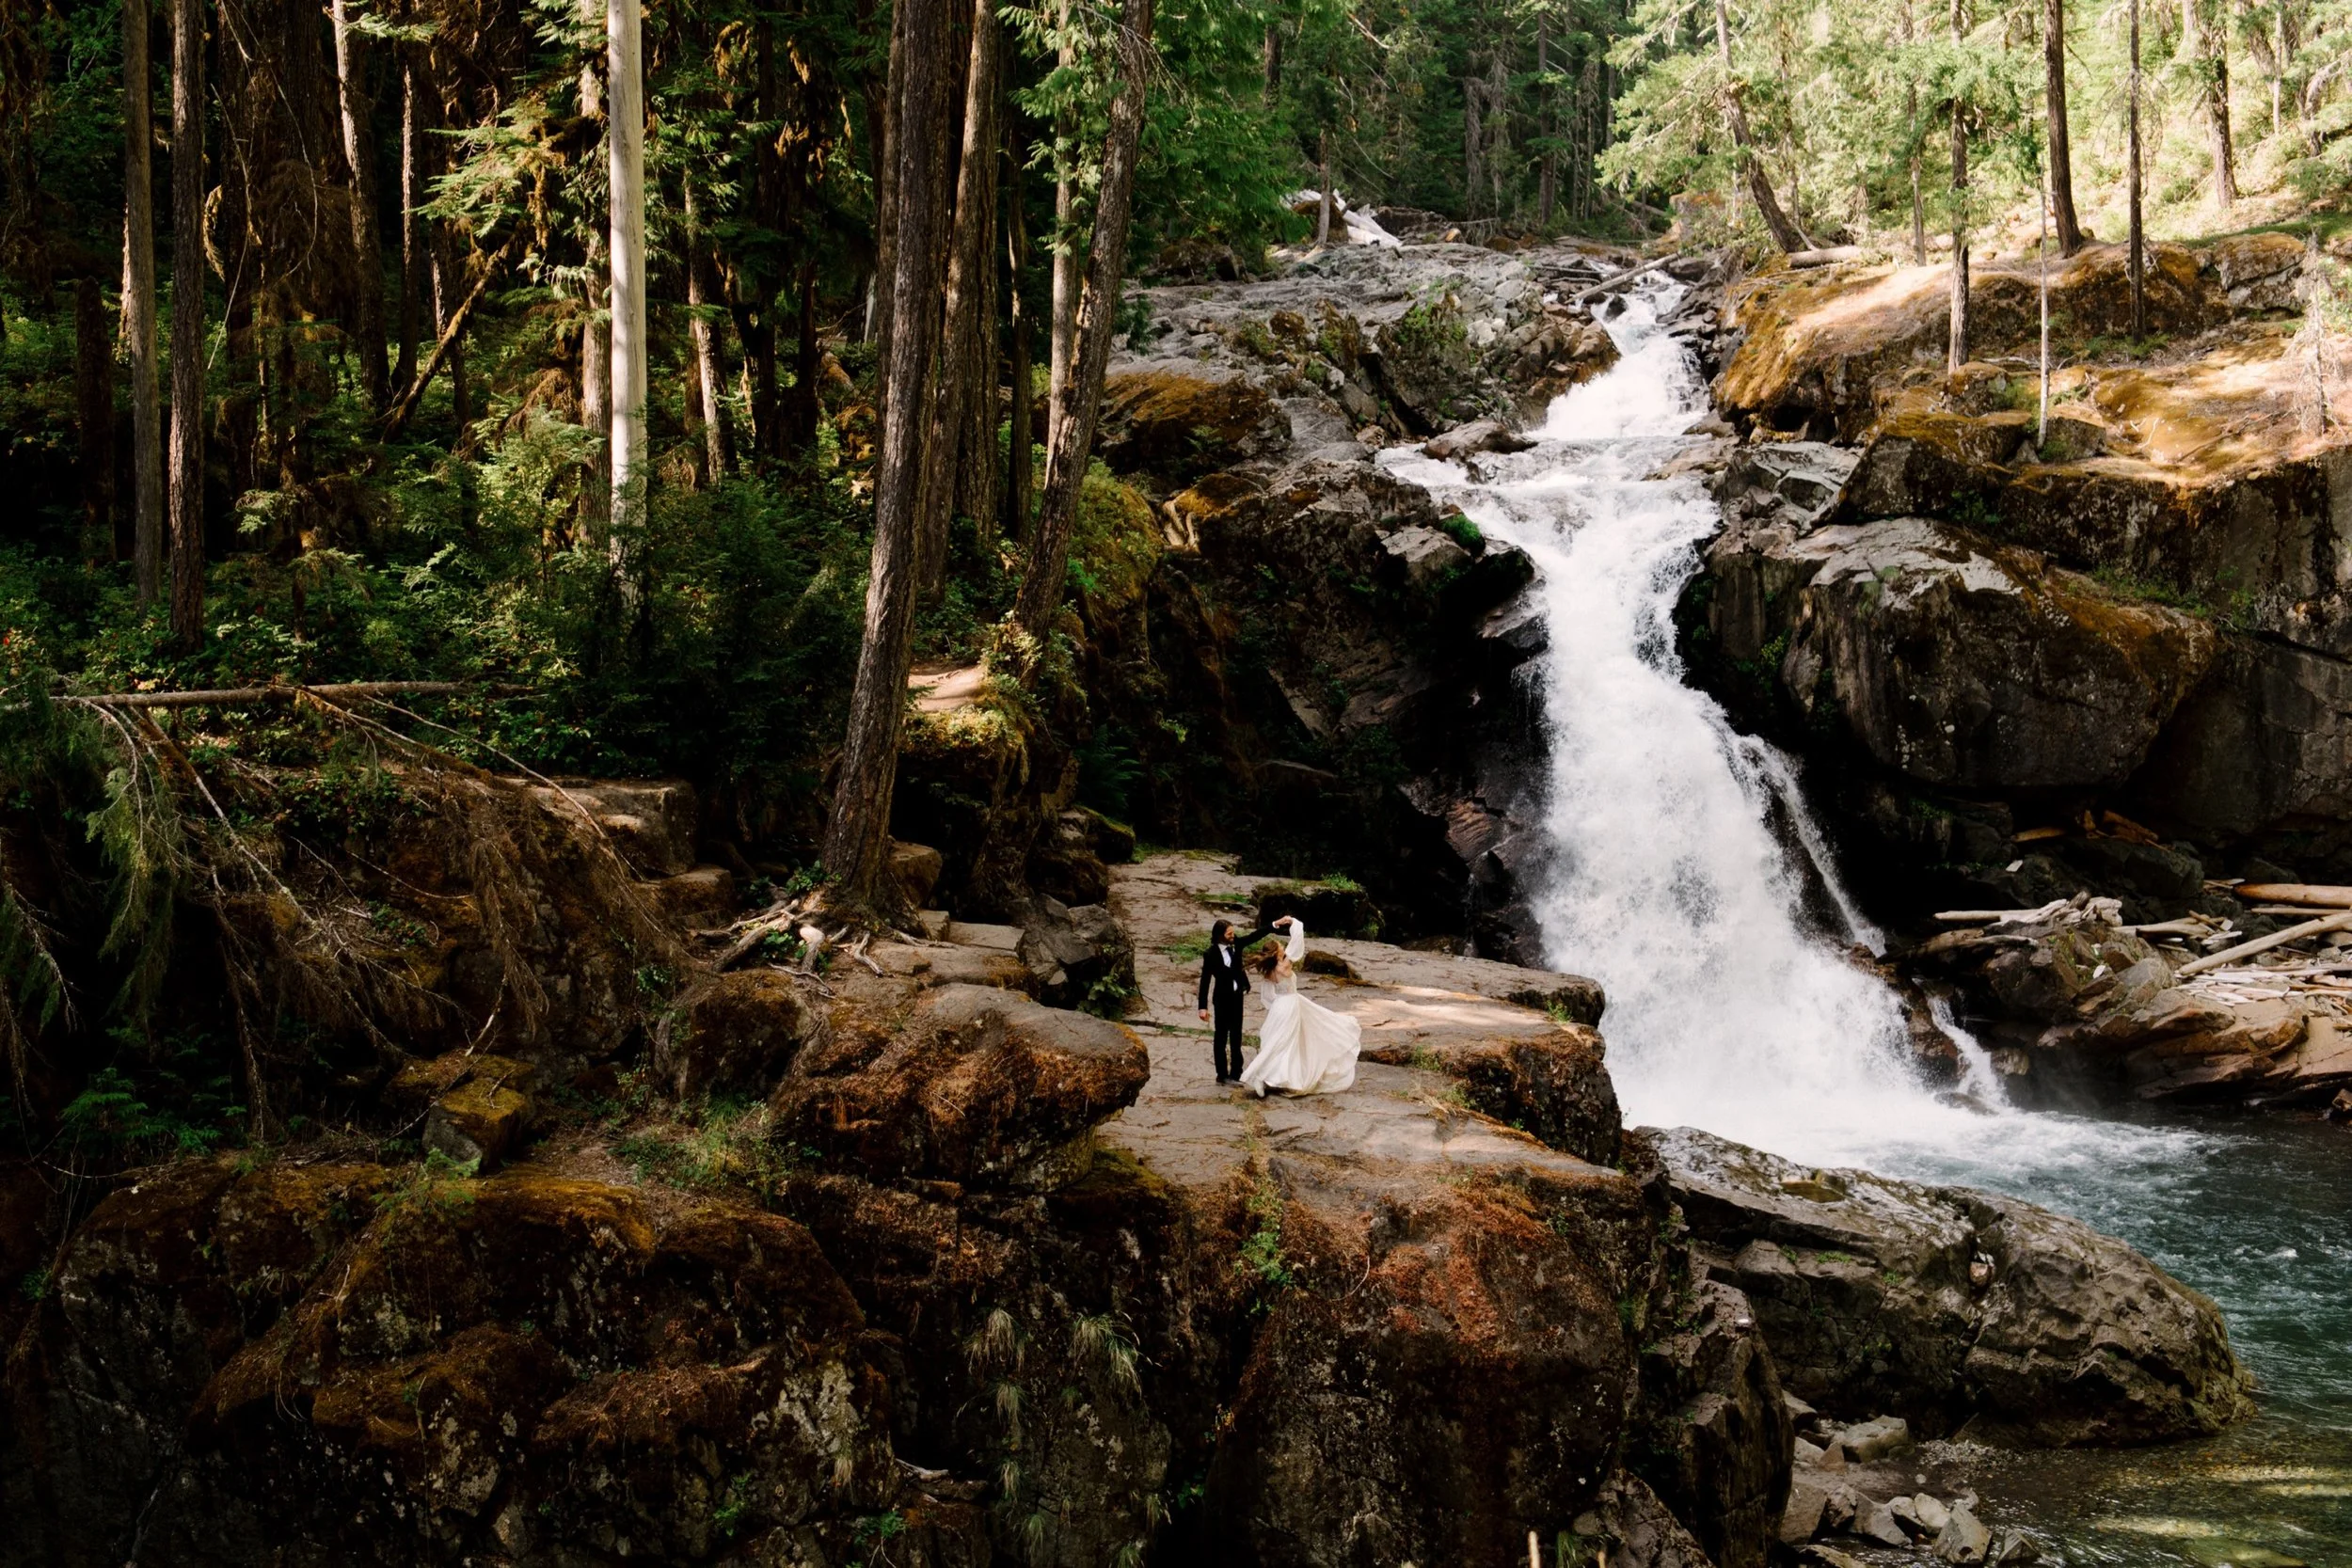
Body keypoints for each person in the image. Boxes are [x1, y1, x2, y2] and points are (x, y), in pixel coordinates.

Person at [1237, 916, 1361, 1098]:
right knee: (1285, 1043)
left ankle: (1269, 1077)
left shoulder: (1270, 970)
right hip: (1289, 1006)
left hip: (1279, 1006)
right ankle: (1264, 1076)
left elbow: (1268, 995)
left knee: (1276, 1042)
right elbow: (1297, 943)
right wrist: (1294, 922)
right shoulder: (1284, 965)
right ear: (1278, 953)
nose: (1284, 949)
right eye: (1281, 948)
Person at [1197, 916, 1273, 1085]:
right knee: (1221, 1037)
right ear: (1220, 935)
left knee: (1237, 1036)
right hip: (1222, 1000)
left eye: (1233, 932)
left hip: (1237, 998)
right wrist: (1202, 1007)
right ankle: (1222, 1074)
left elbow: (1255, 936)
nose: (1233, 935)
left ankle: (1236, 1073)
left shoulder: (1236, 945)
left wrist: (1274, 925)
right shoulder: (1211, 954)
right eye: (1229, 933)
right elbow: (1205, 981)